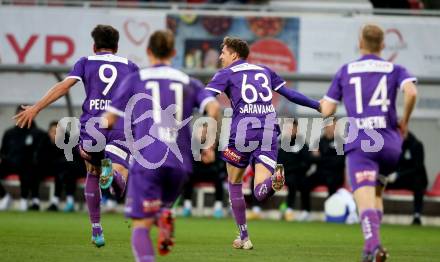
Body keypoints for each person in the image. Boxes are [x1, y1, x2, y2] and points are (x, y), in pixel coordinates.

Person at [14, 25, 139, 247]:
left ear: (94, 46)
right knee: (120, 180)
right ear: (117, 47)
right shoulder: (130, 67)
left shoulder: (85, 62)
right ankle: (114, 177)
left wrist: (36, 107)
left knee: (91, 171)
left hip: (92, 126)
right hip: (120, 126)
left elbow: (63, 87)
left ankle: (96, 230)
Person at [102, 29, 219, 261]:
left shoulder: (136, 79)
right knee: (157, 208)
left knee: (140, 225)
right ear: (174, 53)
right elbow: (214, 108)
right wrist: (209, 145)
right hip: (180, 163)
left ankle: (161, 217)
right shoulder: (190, 82)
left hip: (148, 160)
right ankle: (164, 214)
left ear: (148, 52)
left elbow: (109, 119)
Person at [204, 36, 321, 249]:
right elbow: (290, 94)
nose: (221, 56)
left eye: (223, 52)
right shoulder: (264, 71)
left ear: (234, 54)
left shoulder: (226, 74)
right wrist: (317, 105)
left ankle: (244, 236)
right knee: (260, 191)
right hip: (268, 131)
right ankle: (274, 181)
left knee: (234, 182)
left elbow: (204, 99)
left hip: (242, 134)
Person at [320, 24, 418, 261]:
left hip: (363, 143)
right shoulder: (395, 69)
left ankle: (375, 247)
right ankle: (368, 250)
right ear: (383, 45)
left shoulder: (346, 70)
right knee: (375, 197)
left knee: (363, 201)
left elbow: (327, 108)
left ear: (360, 43)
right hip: (391, 144)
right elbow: (412, 93)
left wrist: (330, 121)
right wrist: (404, 121)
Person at [1, 105, 48, 211]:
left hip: (30, 167)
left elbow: (42, 155)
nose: (22, 117)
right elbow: (3, 152)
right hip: (10, 164)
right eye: (20, 115)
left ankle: (25, 199)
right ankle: (4, 196)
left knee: (27, 166)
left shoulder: (39, 134)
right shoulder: (9, 133)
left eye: (25, 114)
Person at [299, 119, 345, 221]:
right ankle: (306, 211)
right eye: (328, 126)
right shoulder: (319, 141)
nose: (330, 128)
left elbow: (339, 161)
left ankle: (330, 212)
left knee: (332, 183)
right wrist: (323, 158)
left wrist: (320, 158)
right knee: (304, 183)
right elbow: (311, 159)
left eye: (332, 125)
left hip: (335, 173)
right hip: (320, 173)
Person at [386, 131, 428, 225]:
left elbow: (418, 167)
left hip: (414, 178)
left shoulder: (417, 145)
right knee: (381, 183)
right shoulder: (398, 145)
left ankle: (417, 215)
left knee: (418, 185)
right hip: (401, 178)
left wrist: (398, 175)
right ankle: (373, 213)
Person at [45, 121, 86, 212]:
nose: (55, 134)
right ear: (49, 132)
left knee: (66, 167)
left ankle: (56, 201)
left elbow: (76, 160)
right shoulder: (45, 143)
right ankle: (68, 200)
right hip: (60, 171)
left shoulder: (70, 142)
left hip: (77, 169)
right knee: (63, 170)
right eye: (53, 132)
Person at [277, 119, 312, 221]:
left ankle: (306, 211)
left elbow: (307, 162)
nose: (289, 130)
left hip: (299, 174)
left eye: (292, 128)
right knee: (292, 181)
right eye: (287, 128)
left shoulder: (302, 144)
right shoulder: (280, 144)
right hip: (284, 174)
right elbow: (278, 162)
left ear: (296, 129)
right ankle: (288, 209)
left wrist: (298, 169)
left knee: (305, 183)